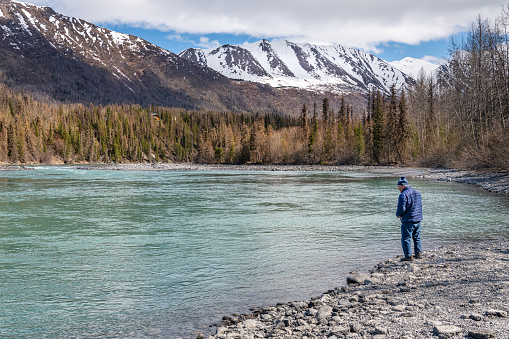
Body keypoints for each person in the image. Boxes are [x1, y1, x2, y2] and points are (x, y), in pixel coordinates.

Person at [396, 177, 423, 261]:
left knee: (406, 238)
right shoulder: (417, 192)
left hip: (408, 220)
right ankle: (418, 254)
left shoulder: (403, 195)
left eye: (399, 187)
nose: (398, 189)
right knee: (417, 237)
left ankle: (408, 256)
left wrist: (398, 214)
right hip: (418, 219)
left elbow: (402, 209)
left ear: (403, 186)